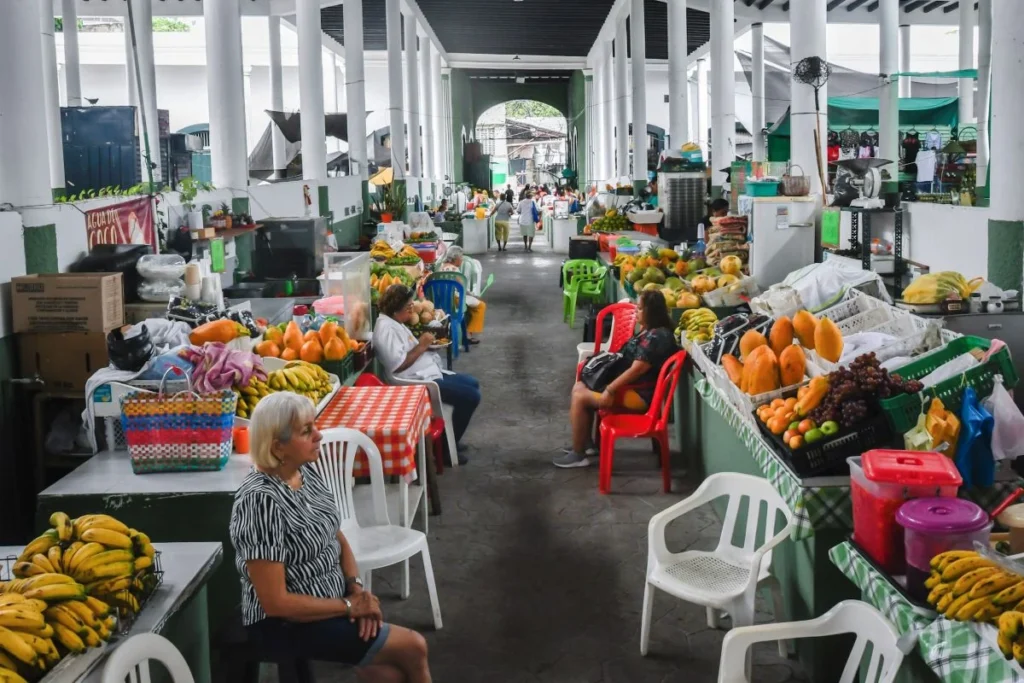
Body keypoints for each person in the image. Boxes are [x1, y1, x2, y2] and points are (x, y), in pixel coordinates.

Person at [229, 392, 433, 682]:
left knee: (389, 674)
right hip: (286, 623)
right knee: (414, 646)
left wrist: (355, 587)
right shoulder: (260, 501)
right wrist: (350, 606)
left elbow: (337, 537)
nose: (319, 435)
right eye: (306, 431)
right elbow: (277, 603)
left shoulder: (305, 472)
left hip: (333, 600)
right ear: (278, 447)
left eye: (314, 426)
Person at [554, 290, 678, 469]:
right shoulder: (651, 331)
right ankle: (585, 444)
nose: (636, 310)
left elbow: (637, 370)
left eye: (640, 308)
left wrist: (609, 389)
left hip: (640, 396)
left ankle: (578, 454)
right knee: (579, 386)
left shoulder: (657, 337)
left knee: (580, 396)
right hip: (634, 389)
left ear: (652, 312)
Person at [373, 284, 482, 462]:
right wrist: (422, 345)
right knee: (471, 396)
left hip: (424, 371)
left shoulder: (394, 323)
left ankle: (451, 438)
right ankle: (447, 450)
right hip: (412, 381)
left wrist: (427, 347)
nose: (411, 310)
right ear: (396, 310)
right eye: (408, 307)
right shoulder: (386, 329)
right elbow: (397, 365)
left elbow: (408, 351)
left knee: (472, 383)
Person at [438, 246, 486, 344]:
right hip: (455, 301)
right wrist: (473, 294)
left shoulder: (440, 268)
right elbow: (462, 288)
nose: (462, 260)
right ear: (456, 259)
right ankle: (468, 335)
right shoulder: (455, 270)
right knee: (481, 306)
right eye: (461, 258)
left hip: (440, 301)